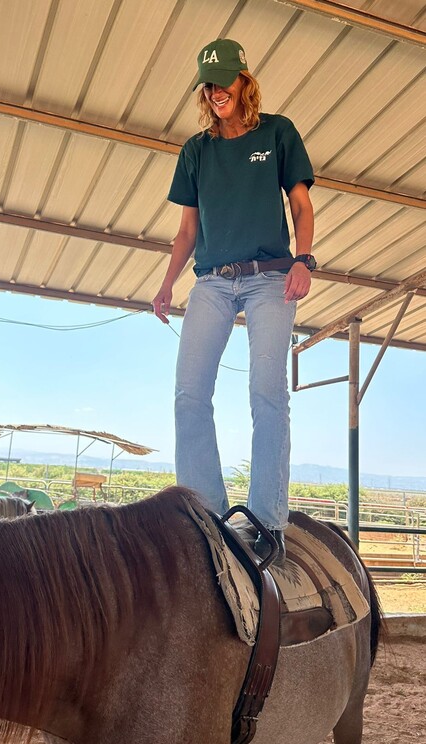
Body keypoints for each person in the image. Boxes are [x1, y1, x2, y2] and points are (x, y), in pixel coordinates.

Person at [152, 38, 315, 565]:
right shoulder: (196, 150)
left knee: (268, 392)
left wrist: (303, 259)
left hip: (271, 278)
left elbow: (301, 203)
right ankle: (206, 514)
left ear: (244, 79)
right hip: (213, 283)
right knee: (188, 393)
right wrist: (166, 283)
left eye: (224, 80)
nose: (216, 91)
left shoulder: (278, 132)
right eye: (208, 83)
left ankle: (267, 521)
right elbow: (186, 230)